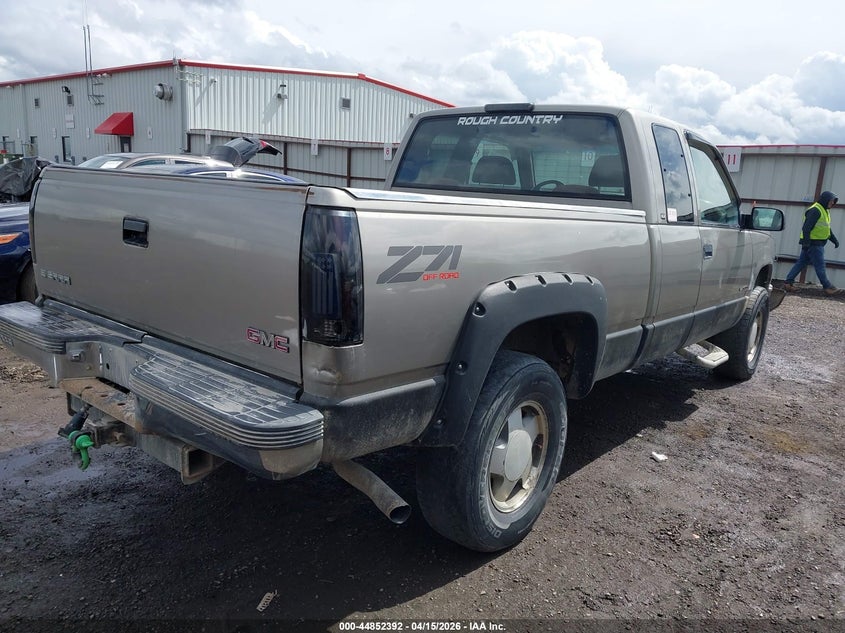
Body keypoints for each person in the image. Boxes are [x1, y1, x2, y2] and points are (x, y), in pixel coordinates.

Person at [784, 191, 841, 295]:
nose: (832, 203)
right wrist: (806, 243)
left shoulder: (824, 210)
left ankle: (788, 282)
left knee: (801, 263)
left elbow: (826, 228)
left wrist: (834, 240)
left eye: (833, 202)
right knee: (820, 265)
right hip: (813, 243)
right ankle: (828, 287)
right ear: (825, 199)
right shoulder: (815, 210)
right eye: (831, 201)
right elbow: (806, 228)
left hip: (813, 243)